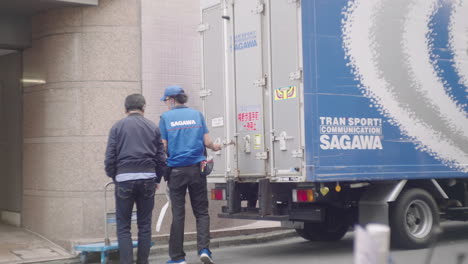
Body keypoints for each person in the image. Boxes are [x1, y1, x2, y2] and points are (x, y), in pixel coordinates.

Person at [159, 85, 221, 264]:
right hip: (197, 169)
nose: (165, 104)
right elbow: (208, 142)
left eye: (165, 100)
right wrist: (216, 147)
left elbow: (162, 146)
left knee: (178, 213)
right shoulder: (196, 115)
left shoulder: (165, 118)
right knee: (201, 212)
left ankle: (178, 258)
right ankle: (204, 250)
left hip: (176, 172)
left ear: (171, 100)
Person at [104, 93, 166, 264]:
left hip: (124, 179)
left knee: (123, 226)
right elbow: (161, 159)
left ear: (125, 109)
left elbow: (110, 158)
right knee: (144, 225)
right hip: (147, 179)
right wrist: (156, 179)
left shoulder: (117, 127)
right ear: (143, 108)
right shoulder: (153, 128)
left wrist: (115, 176)